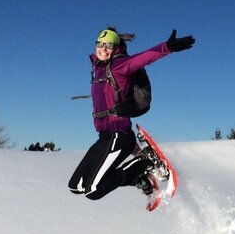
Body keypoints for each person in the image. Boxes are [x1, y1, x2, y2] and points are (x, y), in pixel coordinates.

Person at [69, 27, 195, 200]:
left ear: (116, 47)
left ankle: (146, 162)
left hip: (119, 136)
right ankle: (137, 178)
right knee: (77, 186)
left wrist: (168, 47)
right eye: (100, 43)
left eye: (109, 45)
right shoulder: (97, 69)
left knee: (93, 190)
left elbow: (144, 57)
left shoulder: (120, 65)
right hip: (104, 137)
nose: (103, 48)